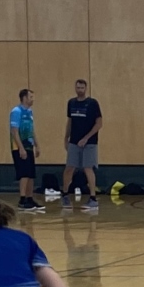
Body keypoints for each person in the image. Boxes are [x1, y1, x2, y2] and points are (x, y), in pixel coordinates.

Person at [63, 80, 103, 213]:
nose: (79, 89)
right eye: (77, 87)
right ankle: (65, 194)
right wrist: (66, 138)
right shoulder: (71, 103)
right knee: (69, 167)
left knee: (88, 167)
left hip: (89, 142)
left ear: (86, 88)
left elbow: (99, 123)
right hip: (74, 141)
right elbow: (70, 122)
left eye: (82, 87)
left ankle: (93, 198)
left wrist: (86, 138)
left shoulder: (92, 103)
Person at [11, 89, 44, 214]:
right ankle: (22, 200)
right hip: (19, 147)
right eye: (31, 96)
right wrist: (21, 148)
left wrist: (37, 145)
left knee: (31, 174)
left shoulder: (30, 112)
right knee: (24, 173)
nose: (33, 99)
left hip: (29, 146)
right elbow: (14, 131)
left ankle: (30, 199)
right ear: (24, 98)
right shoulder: (16, 112)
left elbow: (31, 129)